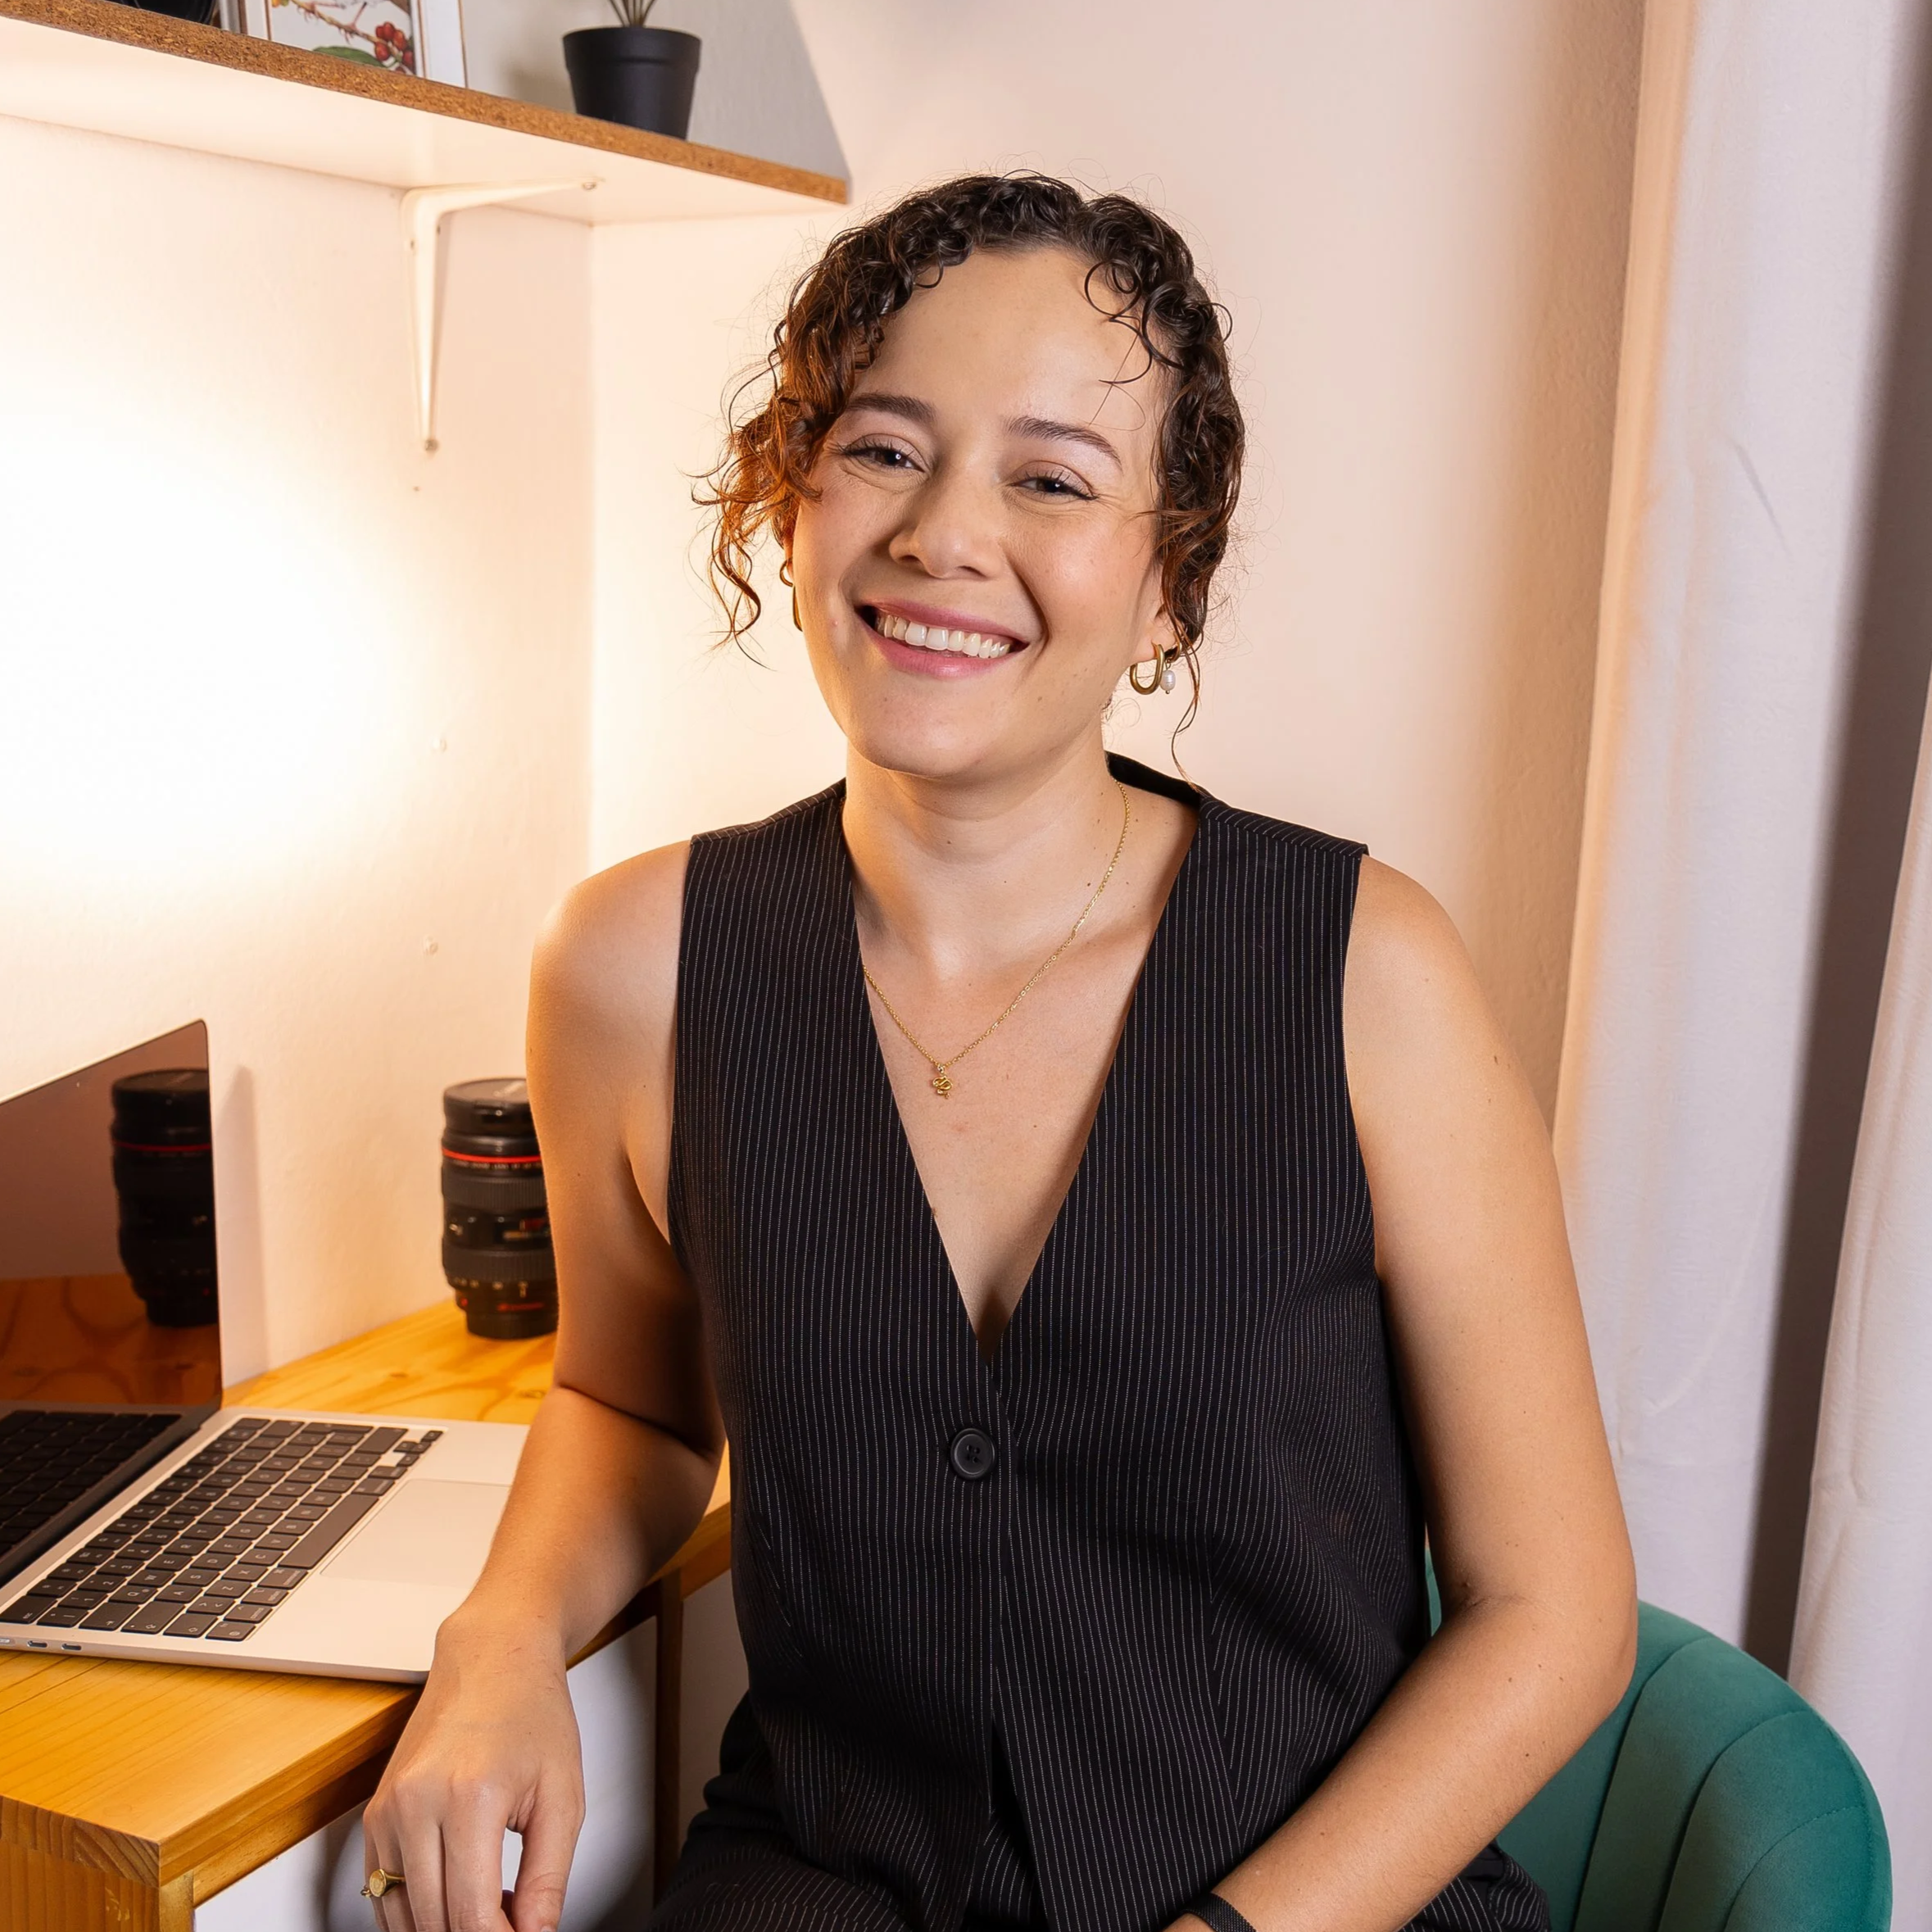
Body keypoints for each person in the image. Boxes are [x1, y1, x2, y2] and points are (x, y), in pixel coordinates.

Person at [362, 174, 1636, 1932]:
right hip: (831, 1879)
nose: (943, 533)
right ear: (789, 502)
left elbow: (1553, 1609)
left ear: (1170, 589)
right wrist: (498, 1638)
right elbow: (627, 1400)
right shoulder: (628, 967)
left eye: (1050, 478)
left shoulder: (1367, 973)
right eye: (883, 449)